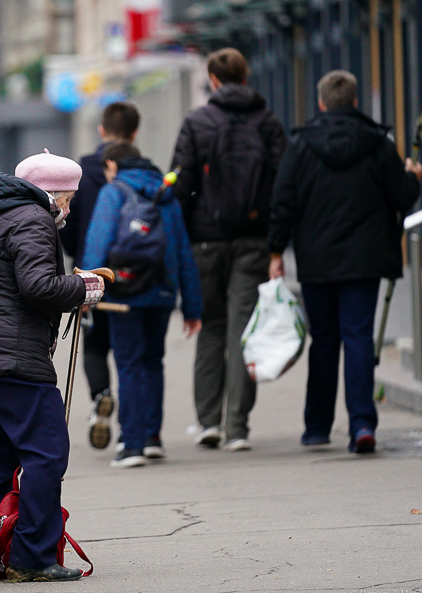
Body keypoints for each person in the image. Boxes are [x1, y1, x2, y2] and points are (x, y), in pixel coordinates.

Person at [0, 149, 105, 581]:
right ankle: (32, 556)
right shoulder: (34, 218)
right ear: (52, 193)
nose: (69, 209)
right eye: (69, 199)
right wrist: (84, 286)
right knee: (46, 452)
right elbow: (38, 286)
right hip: (15, 359)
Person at [268, 70, 422, 453]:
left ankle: (317, 427)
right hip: (364, 259)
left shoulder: (300, 145)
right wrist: (414, 177)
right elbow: (401, 196)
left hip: (316, 260)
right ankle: (361, 425)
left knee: (324, 340)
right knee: (357, 338)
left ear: (321, 103)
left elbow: (282, 201)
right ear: (354, 102)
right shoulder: (379, 145)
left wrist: (275, 252)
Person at [169, 48, 287, 451]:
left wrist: (181, 242)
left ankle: (208, 423)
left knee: (211, 327)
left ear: (214, 80)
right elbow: (281, 186)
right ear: (246, 75)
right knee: (242, 332)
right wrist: (276, 245)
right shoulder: (268, 122)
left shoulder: (198, 122)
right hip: (253, 241)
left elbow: (181, 185)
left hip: (204, 240)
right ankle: (237, 426)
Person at [82, 142, 202, 468]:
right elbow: (182, 252)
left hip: (126, 292)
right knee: (153, 362)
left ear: (111, 165)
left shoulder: (114, 191)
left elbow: (97, 244)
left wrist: (88, 292)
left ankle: (131, 445)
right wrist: (192, 306)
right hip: (162, 291)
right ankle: (151, 438)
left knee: (129, 364)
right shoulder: (165, 193)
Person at [60, 101, 140, 450]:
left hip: (90, 273)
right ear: (135, 133)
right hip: (135, 274)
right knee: (131, 352)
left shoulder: (81, 172)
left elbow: (65, 221)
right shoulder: (140, 171)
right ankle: (136, 430)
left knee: (94, 346)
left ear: (101, 130)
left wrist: (75, 254)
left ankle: (101, 397)